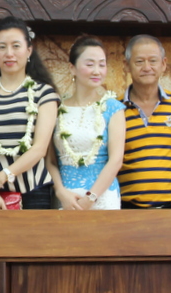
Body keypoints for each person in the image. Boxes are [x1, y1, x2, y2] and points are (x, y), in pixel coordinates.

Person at [0, 18, 60, 210]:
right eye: (2, 47)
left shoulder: (44, 94)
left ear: (29, 51)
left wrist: (0, 179)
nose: (9, 53)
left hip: (34, 192)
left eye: (16, 46)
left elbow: (39, 148)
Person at [46, 36, 127, 210]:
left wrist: (90, 198)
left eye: (102, 64)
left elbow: (115, 160)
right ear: (72, 68)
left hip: (103, 198)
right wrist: (60, 191)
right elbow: (50, 160)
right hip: (66, 198)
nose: (97, 71)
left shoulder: (113, 108)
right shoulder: (57, 109)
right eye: (90, 64)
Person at [118, 34, 171, 209]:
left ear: (164, 64)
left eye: (153, 61)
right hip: (127, 208)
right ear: (127, 65)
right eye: (139, 62)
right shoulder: (115, 109)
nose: (147, 67)